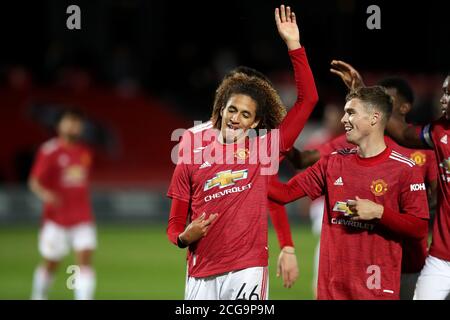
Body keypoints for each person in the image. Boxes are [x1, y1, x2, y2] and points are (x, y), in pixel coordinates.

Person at [167, 4, 318, 300]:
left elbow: (308, 99)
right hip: (200, 271)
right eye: (232, 109)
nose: (236, 118)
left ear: (256, 122)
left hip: (246, 270)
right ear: (220, 110)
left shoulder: (264, 151)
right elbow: (174, 224)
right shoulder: (191, 152)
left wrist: (294, 45)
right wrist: (185, 237)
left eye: (246, 114)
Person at [269, 86, 429, 299]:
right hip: (332, 290)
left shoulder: (404, 168)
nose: (343, 119)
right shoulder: (333, 162)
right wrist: (246, 169)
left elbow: (419, 228)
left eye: (351, 112)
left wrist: (380, 212)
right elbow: (283, 193)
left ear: (374, 118)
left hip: (377, 290)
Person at [330, 61, 439, 299]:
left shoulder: (427, 149)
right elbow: (310, 160)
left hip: (413, 262)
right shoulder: (361, 147)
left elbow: (434, 205)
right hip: (368, 262)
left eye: (387, 100)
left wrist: (395, 208)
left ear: (403, 108)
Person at [385, 73, 450, 300]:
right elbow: (404, 134)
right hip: (440, 259)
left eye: (449, 93)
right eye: (443, 92)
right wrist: (364, 91)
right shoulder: (439, 130)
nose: (443, 99)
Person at [29, 109, 96, 300]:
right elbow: (34, 181)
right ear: (59, 125)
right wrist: (46, 194)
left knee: (84, 259)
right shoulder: (50, 150)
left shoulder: (85, 152)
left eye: (77, 122)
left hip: (82, 216)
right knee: (52, 261)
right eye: (69, 122)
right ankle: (38, 295)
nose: (73, 126)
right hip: (56, 218)